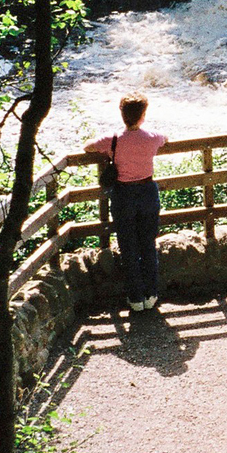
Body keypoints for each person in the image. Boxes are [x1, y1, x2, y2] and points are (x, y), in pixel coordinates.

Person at [85, 93, 167, 312]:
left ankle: (135, 297)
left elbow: (87, 147)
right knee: (148, 243)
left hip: (123, 195)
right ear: (143, 115)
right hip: (147, 192)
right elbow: (167, 138)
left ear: (122, 115)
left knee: (128, 245)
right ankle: (151, 294)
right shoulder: (152, 137)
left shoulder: (112, 139)